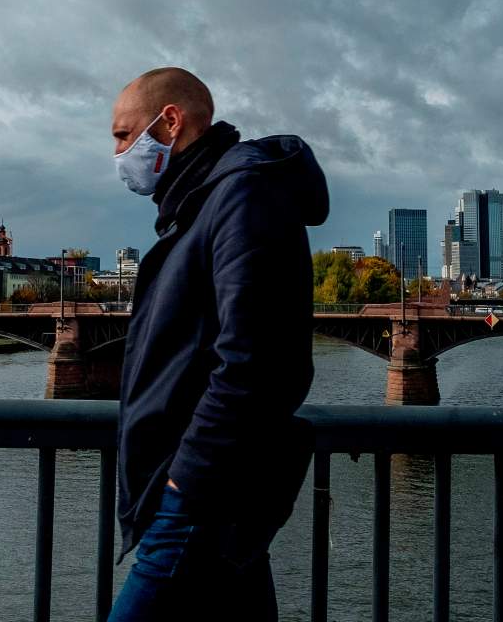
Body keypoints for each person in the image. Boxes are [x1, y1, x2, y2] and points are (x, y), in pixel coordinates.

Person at [108, 67, 327, 621]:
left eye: (121, 134)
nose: (116, 152)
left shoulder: (241, 194)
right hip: (208, 491)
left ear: (170, 122)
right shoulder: (203, 203)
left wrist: (186, 480)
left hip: (199, 496)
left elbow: (252, 360)